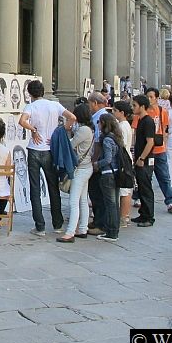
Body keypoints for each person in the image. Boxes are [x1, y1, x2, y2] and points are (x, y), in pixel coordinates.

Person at [19, 80, 75, 236]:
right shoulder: (54, 105)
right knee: (53, 186)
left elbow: (22, 121)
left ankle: (40, 226)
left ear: (30, 93)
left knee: (35, 187)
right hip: (50, 149)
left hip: (35, 149)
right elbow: (72, 117)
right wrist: (60, 131)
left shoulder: (31, 106)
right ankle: (57, 224)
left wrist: (33, 130)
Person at [57, 104, 94, 243]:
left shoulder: (83, 130)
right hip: (86, 167)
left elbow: (70, 144)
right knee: (83, 200)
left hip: (80, 169)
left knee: (73, 201)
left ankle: (70, 232)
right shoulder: (89, 129)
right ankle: (83, 228)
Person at [144, 87, 172, 214]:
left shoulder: (162, 111)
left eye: (151, 97)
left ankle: (170, 200)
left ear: (157, 98)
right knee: (144, 176)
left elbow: (164, 129)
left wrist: (163, 143)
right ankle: (137, 197)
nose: (149, 99)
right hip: (146, 148)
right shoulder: (143, 112)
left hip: (159, 148)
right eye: (147, 96)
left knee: (164, 176)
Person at [92, 113, 123, 241]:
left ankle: (111, 232)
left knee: (110, 204)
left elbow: (108, 159)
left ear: (104, 123)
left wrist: (97, 164)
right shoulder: (116, 137)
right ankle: (114, 229)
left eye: (99, 122)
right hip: (116, 172)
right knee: (114, 204)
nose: (98, 124)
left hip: (107, 174)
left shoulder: (107, 139)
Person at [131, 94, 156, 227]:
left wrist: (142, 158)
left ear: (142, 106)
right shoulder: (141, 120)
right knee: (141, 187)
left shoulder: (148, 121)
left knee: (146, 188)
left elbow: (150, 142)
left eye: (135, 105)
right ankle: (143, 214)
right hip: (140, 158)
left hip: (145, 160)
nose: (133, 107)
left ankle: (149, 217)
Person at [86, 92, 109, 236]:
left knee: (97, 193)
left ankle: (101, 222)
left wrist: (95, 161)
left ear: (95, 103)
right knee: (94, 192)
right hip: (97, 159)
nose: (89, 107)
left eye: (90, 104)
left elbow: (98, 141)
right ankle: (97, 220)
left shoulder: (101, 117)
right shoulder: (100, 116)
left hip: (98, 160)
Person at [112, 100, 134, 227]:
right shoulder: (124, 125)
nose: (113, 113)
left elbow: (122, 144)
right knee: (125, 189)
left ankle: (124, 216)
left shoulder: (122, 126)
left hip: (123, 159)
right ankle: (124, 215)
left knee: (124, 190)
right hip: (125, 157)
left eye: (115, 110)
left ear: (122, 112)